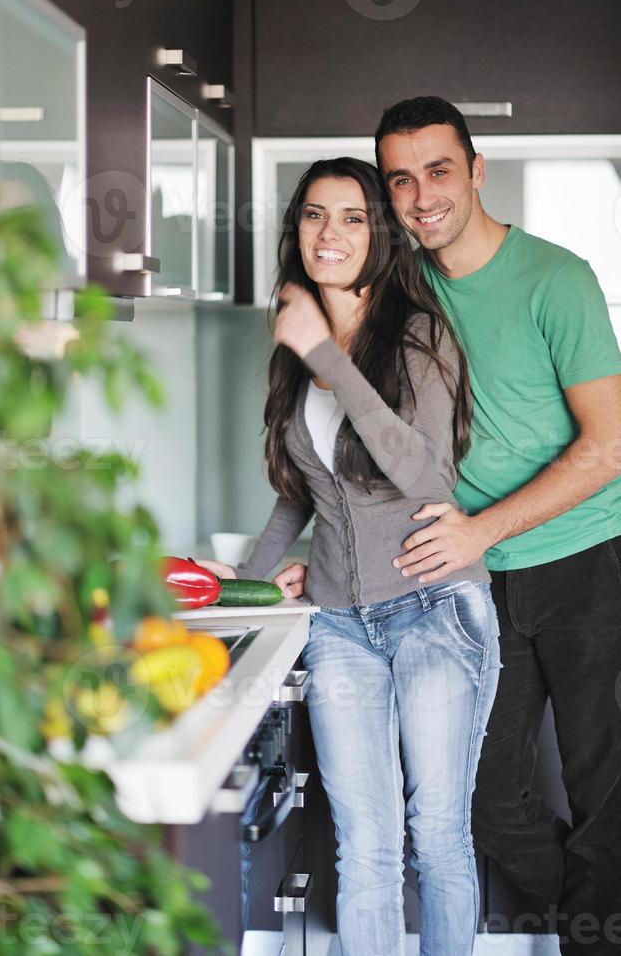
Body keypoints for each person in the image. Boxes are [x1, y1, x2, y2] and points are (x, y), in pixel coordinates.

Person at [278, 97, 621, 954]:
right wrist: (312, 553)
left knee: (601, 786)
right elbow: (351, 448)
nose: (422, 194)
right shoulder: (398, 289)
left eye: (439, 170)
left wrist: (481, 529)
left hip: (579, 560)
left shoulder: (557, 279)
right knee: (484, 801)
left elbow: (610, 446)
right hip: (453, 577)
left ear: (475, 170)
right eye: (400, 179)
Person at [199, 156, 501, 956]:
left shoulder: (416, 332)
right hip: (338, 622)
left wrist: (325, 357)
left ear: (381, 235)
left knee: (437, 836)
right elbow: (300, 493)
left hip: (435, 608)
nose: (328, 233)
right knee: (364, 845)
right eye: (312, 215)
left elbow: (423, 472)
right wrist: (249, 585)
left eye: (352, 216)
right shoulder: (296, 348)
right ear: (294, 229)